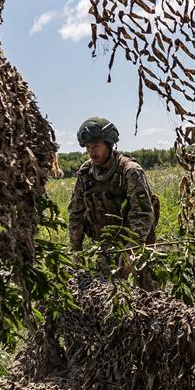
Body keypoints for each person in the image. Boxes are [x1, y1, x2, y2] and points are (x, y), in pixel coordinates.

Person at [68, 116, 158, 288]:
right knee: (109, 291)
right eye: (88, 147)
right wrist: (76, 251)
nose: (91, 152)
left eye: (95, 146)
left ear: (109, 143)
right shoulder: (85, 174)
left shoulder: (129, 171)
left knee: (149, 292)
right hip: (108, 243)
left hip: (139, 239)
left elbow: (143, 214)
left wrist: (131, 251)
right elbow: (76, 214)